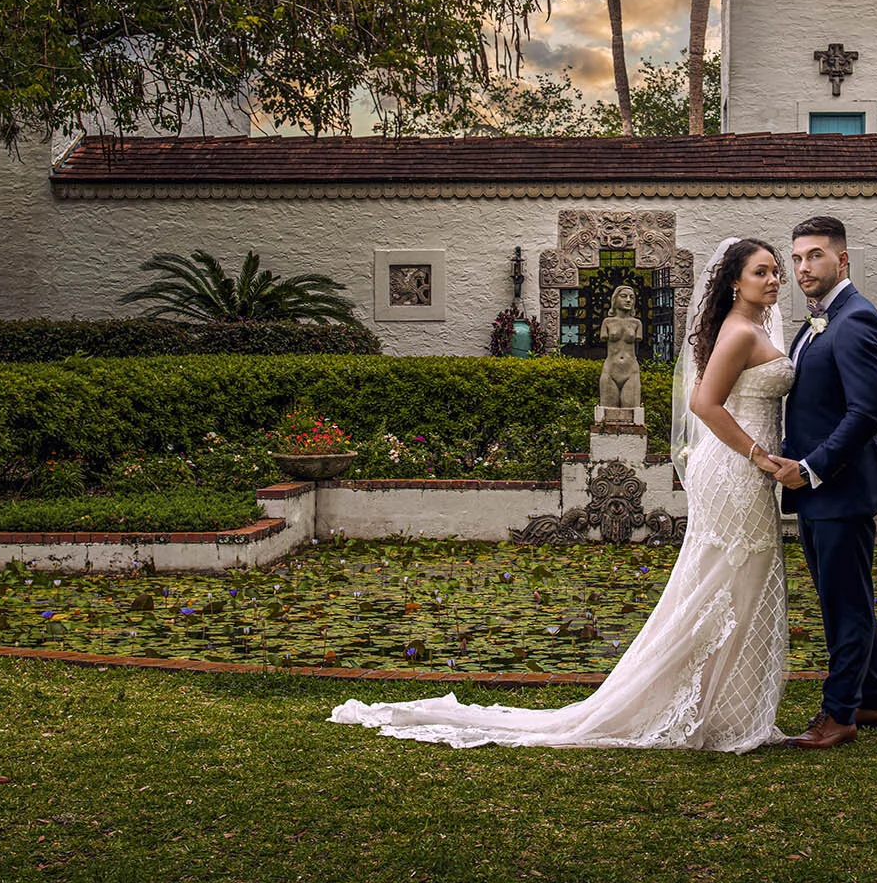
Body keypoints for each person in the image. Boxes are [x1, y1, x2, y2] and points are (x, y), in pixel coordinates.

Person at [327, 237, 793, 751]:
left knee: (736, 583)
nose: (773, 279)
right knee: (727, 583)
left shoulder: (752, 326)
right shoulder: (739, 331)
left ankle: (721, 707)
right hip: (737, 469)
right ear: (734, 281)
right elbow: (705, 404)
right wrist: (758, 455)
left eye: (776, 271)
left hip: (745, 468)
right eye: (761, 271)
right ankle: (696, 707)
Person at [769, 215, 877, 750]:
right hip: (818, 492)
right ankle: (873, 699)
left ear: (842, 260)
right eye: (797, 258)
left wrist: (809, 468)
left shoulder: (856, 319)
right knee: (844, 597)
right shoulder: (818, 321)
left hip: (838, 488)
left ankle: (839, 713)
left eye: (815, 255)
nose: (803, 267)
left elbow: (866, 414)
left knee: (844, 604)